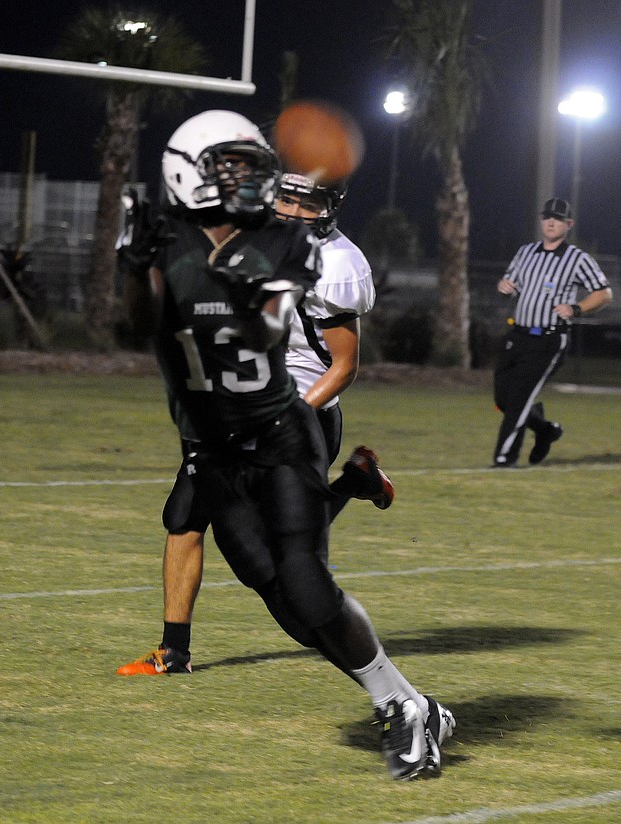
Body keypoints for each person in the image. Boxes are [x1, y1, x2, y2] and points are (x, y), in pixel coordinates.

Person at [116, 109, 454, 779]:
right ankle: (410, 702)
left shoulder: (291, 250)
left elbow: (279, 334)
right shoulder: (174, 246)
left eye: (252, 169)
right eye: (233, 170)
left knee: (301, 583)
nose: (257, 185)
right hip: (216, 440)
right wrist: (138, 269)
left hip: (278, 426)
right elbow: (144, 323)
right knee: (278, 593)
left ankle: (405, 708)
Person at [117, 171, 392, 681]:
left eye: (305, 204)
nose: (291, 211)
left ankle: (355, 482)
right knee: (184, 514)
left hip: (304, 414)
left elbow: (344, 366)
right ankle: (173, 651)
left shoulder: (337, 263)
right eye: (285, 198)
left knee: (272, 551)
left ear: (330, 208)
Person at [492, 197, 613, 468]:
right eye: (547, 217)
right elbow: (513, 283)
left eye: (558, 219)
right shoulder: (526, 252)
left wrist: (577, 308)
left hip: (548, 338)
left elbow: (604, 293)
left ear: (568, 225)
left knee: (520, 398)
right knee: (503, 398)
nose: (551, 222)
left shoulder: (577, 259)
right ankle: (545, 430)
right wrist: (506, 287)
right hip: (519, 335)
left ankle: (504, 460)